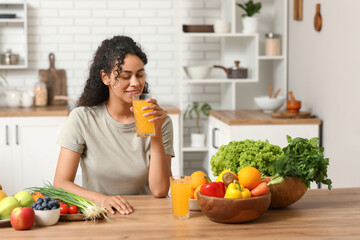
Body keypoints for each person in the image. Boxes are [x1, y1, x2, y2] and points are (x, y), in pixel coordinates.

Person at [53, 35, 174, 215]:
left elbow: (160, 190)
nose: (135, 83)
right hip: (100, 214)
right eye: (126, 76)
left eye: (140, 75)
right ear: (105, 77)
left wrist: (155, 133)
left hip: (147, 215)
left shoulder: (160, 120)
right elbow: (61, 183)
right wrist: (102, 199)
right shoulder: (82, 119)